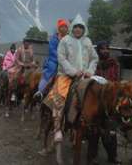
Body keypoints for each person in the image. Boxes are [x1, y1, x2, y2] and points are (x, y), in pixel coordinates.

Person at [49, 14, 98, 142]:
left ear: (84, 29)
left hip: (84, 76)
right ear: (72, 28)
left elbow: (94, 58)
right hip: (66, 75)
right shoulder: (65, 40)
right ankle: (58, 128)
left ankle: (88, 126)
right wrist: (72, 71)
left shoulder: (88, 41)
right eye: (76, 27)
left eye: (80, 27)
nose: (78, 29)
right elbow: (61, 58)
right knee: (59, 97)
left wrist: (89, 71)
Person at [94, 41, 121, 163]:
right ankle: (92, 155)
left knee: (111, 130)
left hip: (110, 100)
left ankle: (112, 157)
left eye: (107, 49)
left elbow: (116, 79)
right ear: (98, 51)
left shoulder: (114, 63)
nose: (105, 51)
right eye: (102, 49)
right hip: (96, 99)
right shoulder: (94, 63)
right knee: (93, 129)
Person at [34, 19, 69, 100]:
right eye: (62, 27)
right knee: (50, 70)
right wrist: (60, 57)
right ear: (59, 28)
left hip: (66, 61)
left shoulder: (69, 39)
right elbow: (52, 50)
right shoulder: (54, 38)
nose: (64, 28)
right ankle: (40, 91)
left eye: (65, 27)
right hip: (54, 60)